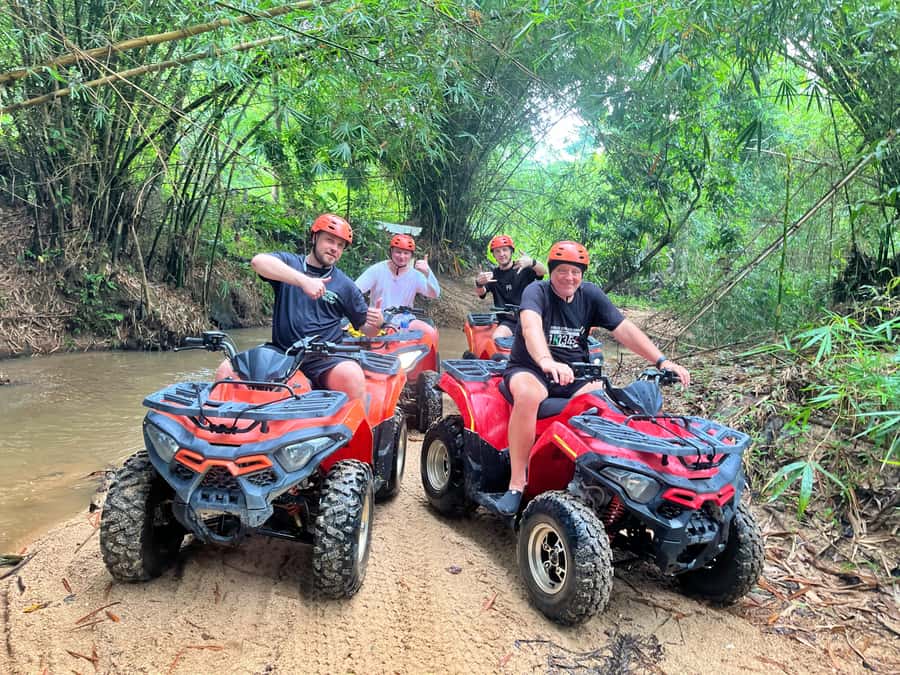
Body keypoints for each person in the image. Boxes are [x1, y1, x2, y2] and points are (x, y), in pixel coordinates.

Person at [495, 240, 691, 515]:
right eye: (562, 271)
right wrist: (546, 360)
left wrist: (662, 361)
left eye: (576, 272)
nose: (569, 277)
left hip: (575, 374)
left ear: (583, 274)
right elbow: (530, 328)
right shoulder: (535, 291)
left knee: (605, 403)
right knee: (529, 395)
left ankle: (604, 479)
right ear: (551, 271)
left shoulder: (590, 295)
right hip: (530, 369)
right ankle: (517, 483)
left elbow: (624, 330)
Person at [214, 213, 383, 401]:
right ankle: (223, 428)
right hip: (282, 353)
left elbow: (367, 329)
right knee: (226, 371)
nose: (334, 248)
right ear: (314, 238)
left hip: (324, 358)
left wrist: (377, 323)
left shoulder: (346, 285)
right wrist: (303, 281)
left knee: (352, 376)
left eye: (340, 245)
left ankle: (354, 429)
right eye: (330, 241)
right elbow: (258, 262)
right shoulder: (290, 263)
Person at [355, 233, 440, 331]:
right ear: (391, 252)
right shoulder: (376, 270)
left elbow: (435, 294)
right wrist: (362, 312)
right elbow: (355, 290)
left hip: (405, 319)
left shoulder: (416, 275)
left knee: (429, 331)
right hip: (378, 318)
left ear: (411, 255)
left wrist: (428, 272)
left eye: (406, 253)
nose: (402, 257)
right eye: (398, 252)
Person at [475, 235, 547, 339]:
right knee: (497, 337)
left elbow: (542, 271)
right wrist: (479, 283)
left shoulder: (522, 268)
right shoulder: (493, 275)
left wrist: (531, 262)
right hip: (508, 322)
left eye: (505, 250)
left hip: (529, 317)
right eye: (497, 251)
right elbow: (481, 293)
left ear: (511, 252)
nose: (502, 254)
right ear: (494, 255)